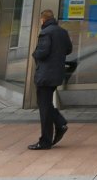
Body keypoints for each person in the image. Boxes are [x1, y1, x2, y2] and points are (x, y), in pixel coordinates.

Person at [29, 9, 73, 150]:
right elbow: (69, 50)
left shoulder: (46, 32)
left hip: (45, 75)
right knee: (46, 104)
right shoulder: (62, 32)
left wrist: (35, 53)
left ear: (43, 19)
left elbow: (42, 53)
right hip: (56, 74)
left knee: (44, 107)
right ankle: (59, 124)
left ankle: (46, 139)